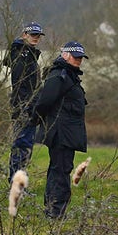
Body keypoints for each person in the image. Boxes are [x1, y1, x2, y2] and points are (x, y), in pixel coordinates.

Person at [33, 41, 88, 219]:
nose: (78, 60)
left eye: (81, 58)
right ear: (65, 55)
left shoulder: (68, 75)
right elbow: (44, 102)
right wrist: (34, 120)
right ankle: (56, 212)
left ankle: (52, 209)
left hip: (65, 132)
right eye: (75, 57)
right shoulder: (59, 76)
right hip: (61, 133)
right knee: (61, 170)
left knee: (59, 168)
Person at [3, 22, 45, 183]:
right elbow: (21, 85)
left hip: (27, 106)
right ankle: (16, 183)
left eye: (38, 35)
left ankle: (17, 181)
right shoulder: (22, 55)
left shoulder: (28, 53)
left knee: (24, 146)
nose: (36, 38)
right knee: (22, 146)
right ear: (24, 35)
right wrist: (27, 107)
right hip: (24, 108)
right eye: (33, 35)